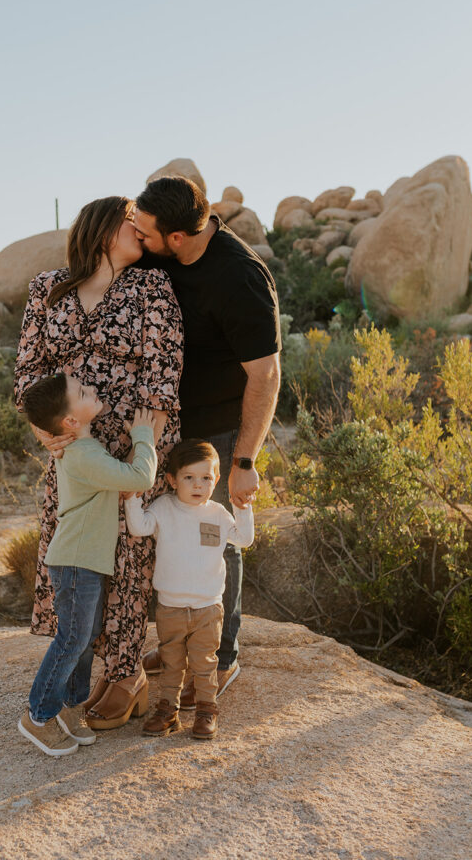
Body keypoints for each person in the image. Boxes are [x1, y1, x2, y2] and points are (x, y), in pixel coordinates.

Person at [14, 196, 183, 729]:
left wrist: (146, 445)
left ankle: (127, 671)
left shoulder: (151, 288)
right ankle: (79, 676)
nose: (140, 229)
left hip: (132, 449)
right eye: (130, 221)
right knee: (79, 558)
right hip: (72, 452)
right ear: (104, 229)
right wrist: (45, 430)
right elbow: (27, 375)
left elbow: (164, 368)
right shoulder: (47, 289)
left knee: (130, 559)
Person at [132, 176, 281, 706]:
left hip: (219, 429)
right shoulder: (158, 254)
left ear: (175, 238)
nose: (138, 238)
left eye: (145, 232)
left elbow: (265, 375)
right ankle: (178, 643)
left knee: (213, 533)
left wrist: (244, 459)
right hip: (162, 420)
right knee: (163, 529)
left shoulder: (239, 276)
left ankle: (220, 656)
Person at [17, 373, 158, 756]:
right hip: (76, 561)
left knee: (84, 635)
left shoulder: (82, 448)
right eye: (82, 392)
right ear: (70, 422)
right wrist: (145, 435)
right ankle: (39, 716)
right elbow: (141, 476)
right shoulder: (83, 454)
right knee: (73, 638)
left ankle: (70, 709)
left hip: (83, 560)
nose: (92, 389)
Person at [125, 439, 254, 740]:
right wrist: (132, 498)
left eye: (206, 478)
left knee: (204, 663)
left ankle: (207, 711)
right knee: (171, 662)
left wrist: (242, 507)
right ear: (172, 479)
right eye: (189, 478)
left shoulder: (219, 513)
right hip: (170, 606)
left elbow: (244, 539)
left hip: (208, 608)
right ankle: (168, 710)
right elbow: (139, 527)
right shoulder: (164, 507)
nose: (198, 485)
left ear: (216, 480)